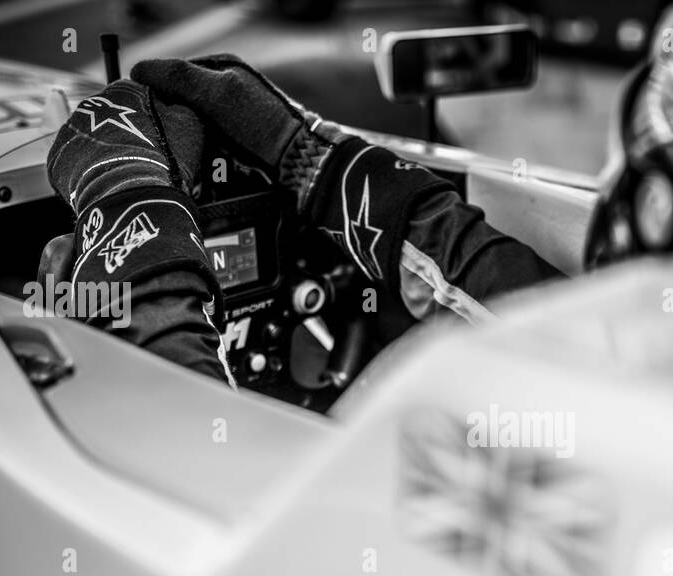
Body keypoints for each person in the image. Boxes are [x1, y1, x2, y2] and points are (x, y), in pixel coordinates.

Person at [44, 55, 561, 385]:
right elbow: (554, 325)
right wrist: (315, 162)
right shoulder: (618, 359)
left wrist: (127, 211)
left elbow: (202, 451)